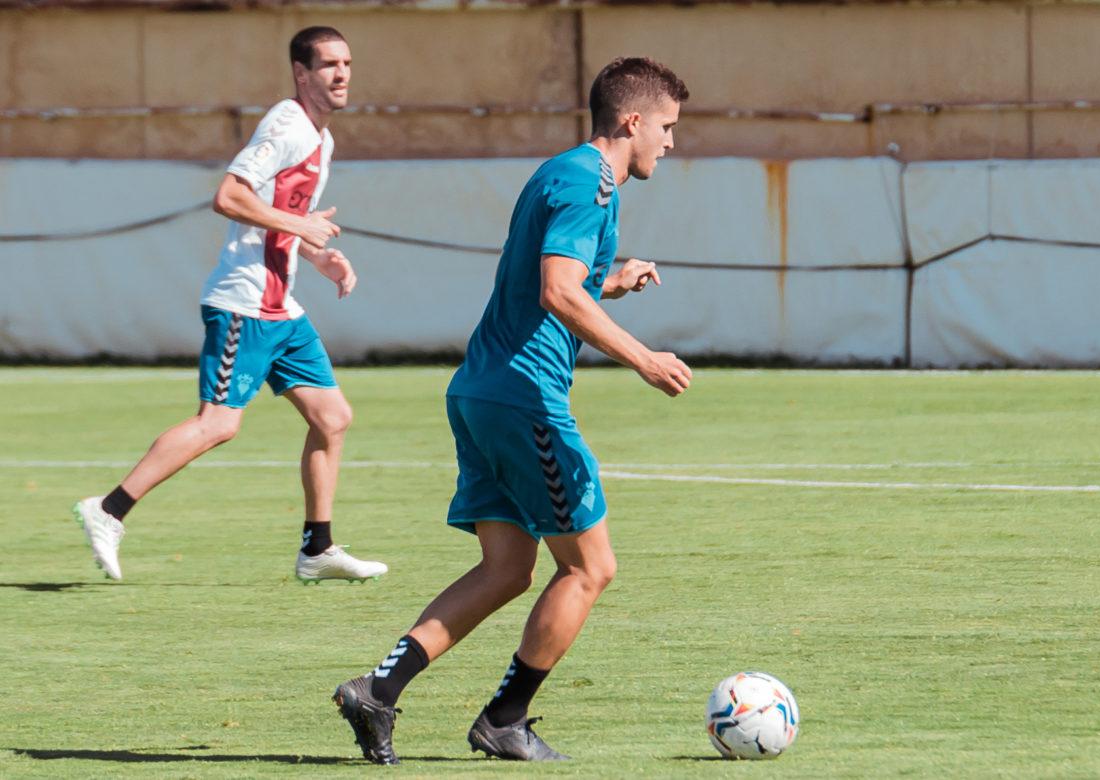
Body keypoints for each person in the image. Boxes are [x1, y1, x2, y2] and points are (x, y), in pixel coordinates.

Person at [332, 57, 691, 764]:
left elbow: (559, 282)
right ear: (632, 121)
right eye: (668, 127)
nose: (671, 143)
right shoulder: (591, 184)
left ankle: (377, 691)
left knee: (506, 569)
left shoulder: (565, 172)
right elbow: (558, 291)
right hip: (524, 398)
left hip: (480, 391)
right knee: (590, 568)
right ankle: (506, 718)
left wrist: (610, 281)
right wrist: (644, 358)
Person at [72, 26, 386, 585]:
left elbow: (281, 221)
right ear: (301, 73)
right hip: (242, 303)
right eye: (329, 65)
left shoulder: (324, 139)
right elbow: (230, 196)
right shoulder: (286, 124)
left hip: (280, 307)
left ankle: (317, 549)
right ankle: (109, 509)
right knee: (218, 424)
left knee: (332, 417)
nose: (342, 74)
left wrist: (320, 255)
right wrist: (303, 226)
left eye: (347, 63)